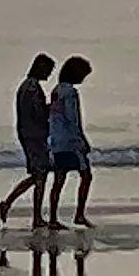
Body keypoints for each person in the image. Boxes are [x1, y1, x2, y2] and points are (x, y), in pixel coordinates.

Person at [0, 52, 57, 227]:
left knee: (38, 175)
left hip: (29, 134)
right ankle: (33, 215)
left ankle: (12, 204)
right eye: (48, 70)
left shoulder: (28, 86)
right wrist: (52, 107)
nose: (49, 74)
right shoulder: (31, 88)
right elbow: (38, 113)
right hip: (34, 135)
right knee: (40, 175)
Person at [46, 54, 95, 229]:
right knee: (86, 176)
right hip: (70, 142)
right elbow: (72, 118)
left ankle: (52, 217)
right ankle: (79, 214)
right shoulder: (71, 93)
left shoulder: (57, 90)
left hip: (57, 141)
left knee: (59, 180)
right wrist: (81, 140)